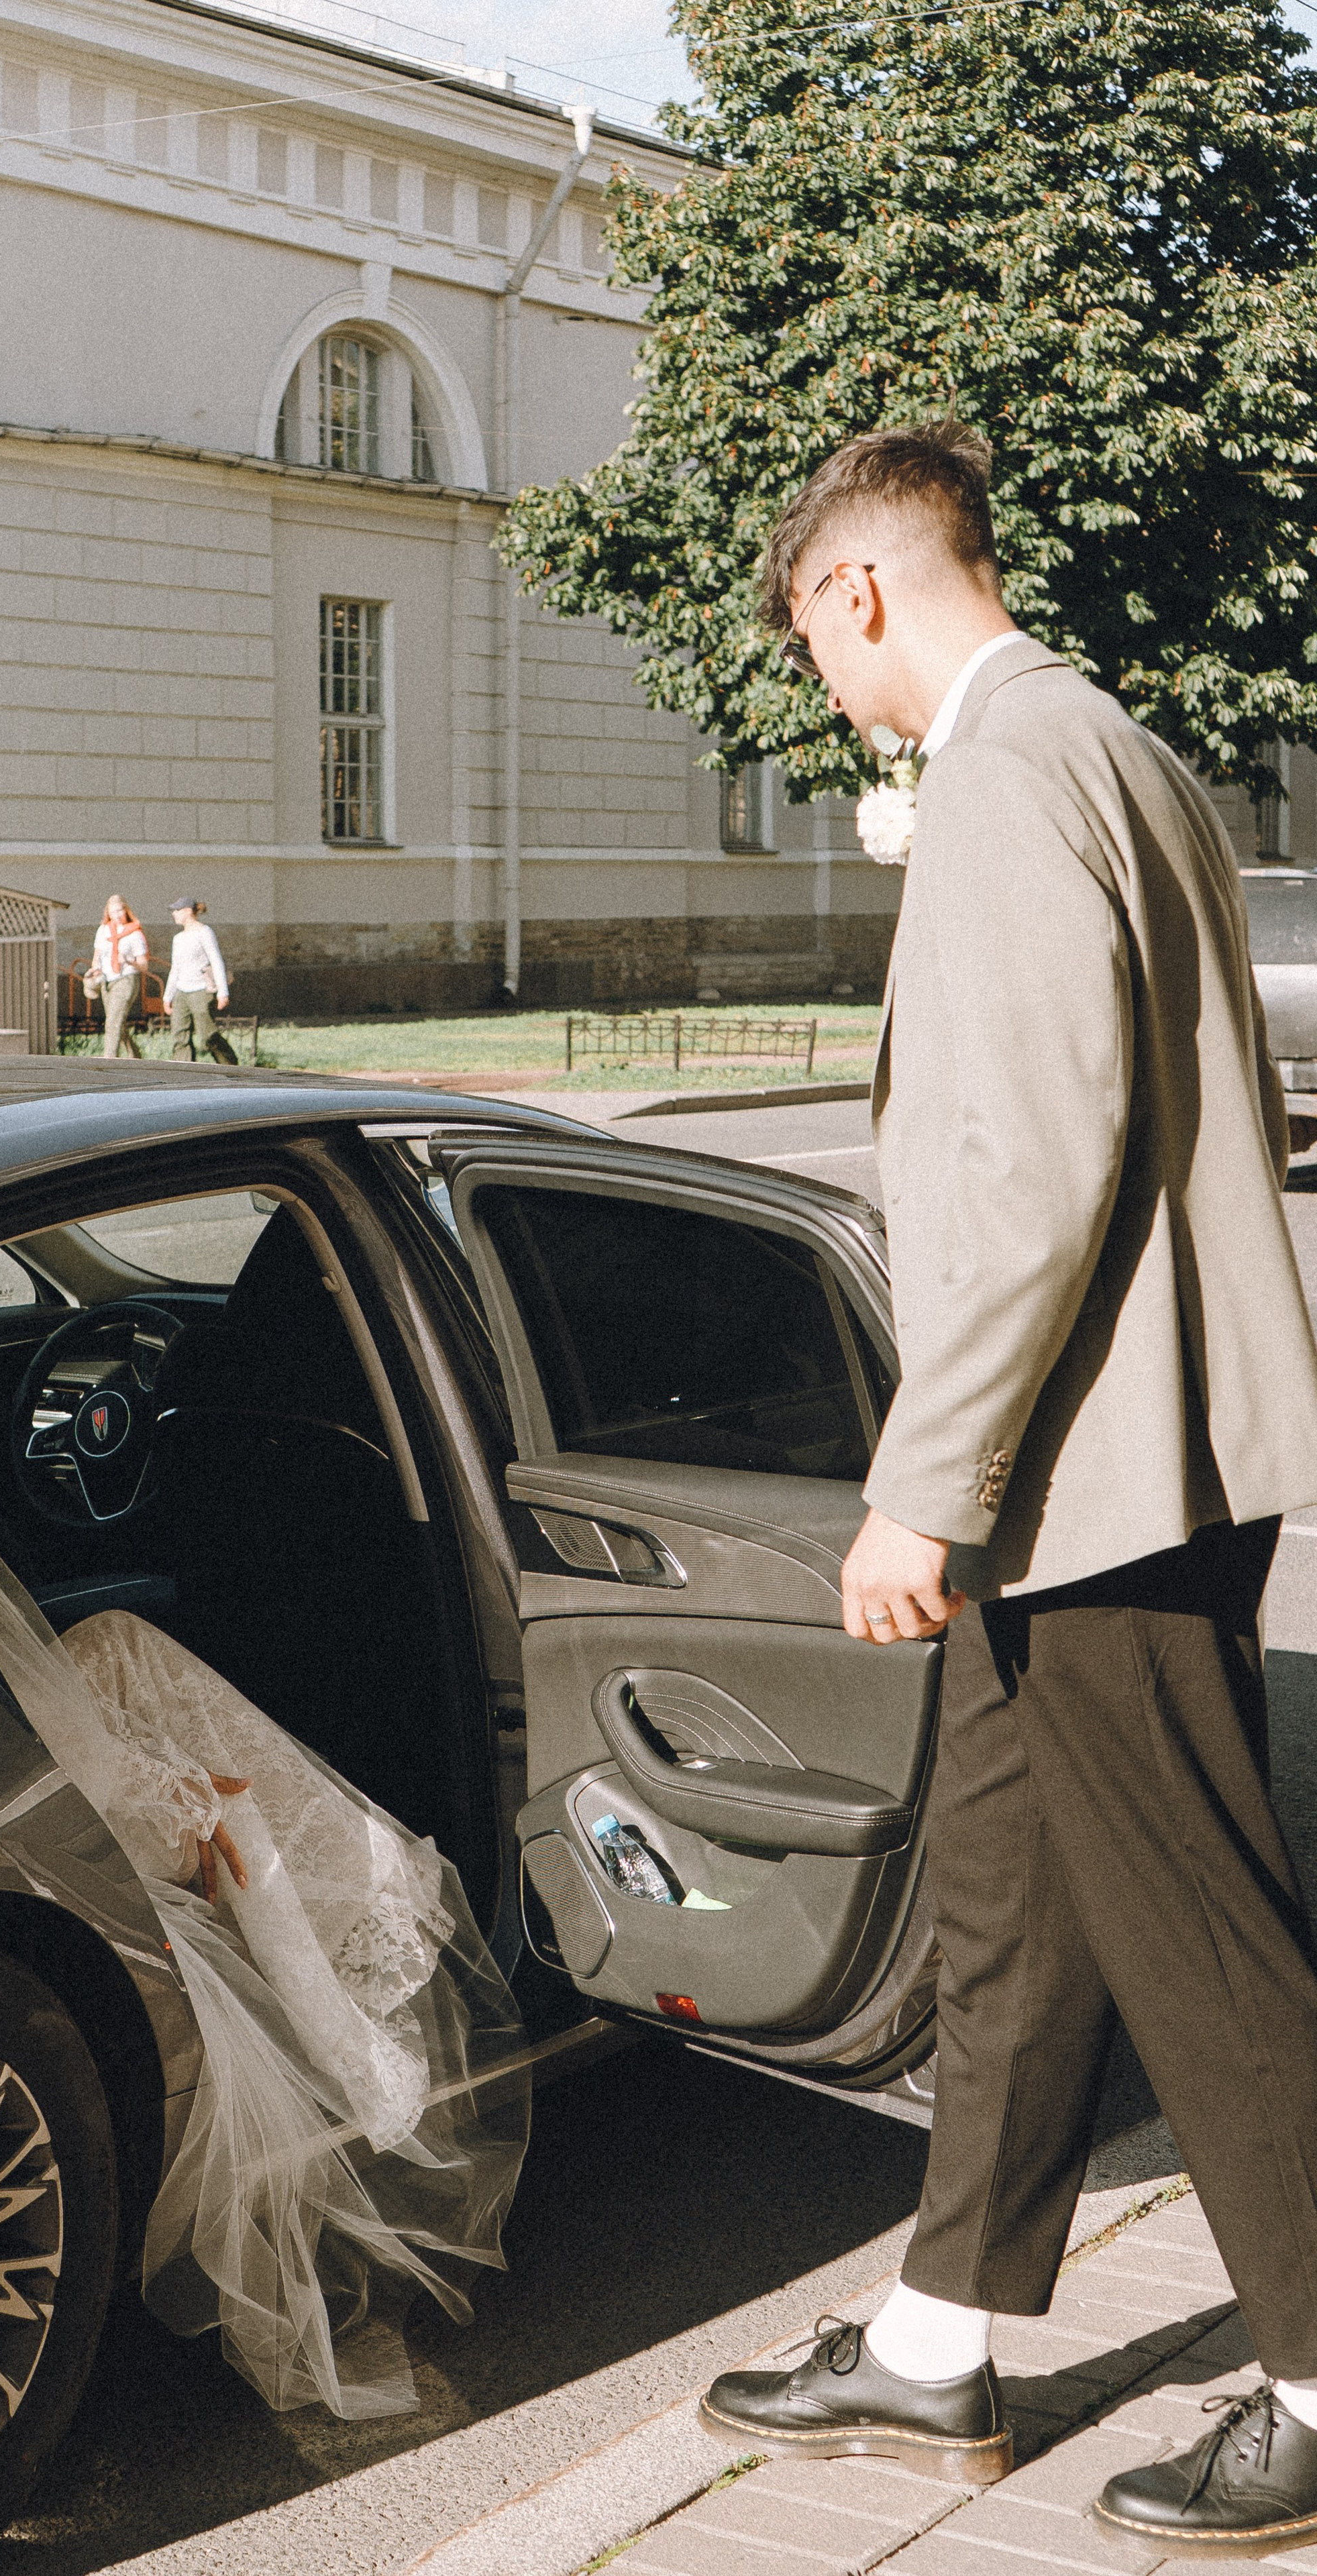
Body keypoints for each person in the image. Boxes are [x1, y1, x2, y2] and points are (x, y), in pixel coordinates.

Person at [698, 419, 1317, 2552]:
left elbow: (1025, 1168)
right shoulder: (1115, 747)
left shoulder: (999, 772)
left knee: (1198, 1930)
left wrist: (925, 1488)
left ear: (855, 591)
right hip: (1127, 1446)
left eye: (809, 636)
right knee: (1007, 1903)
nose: (822, 682)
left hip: (1092, 1473)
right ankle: (937, 2341)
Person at [0, 1290, 526, 2418]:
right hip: (47, 1808)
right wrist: (183, 1813)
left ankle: (344, 1885)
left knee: (116, 1646)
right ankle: (370, 1923)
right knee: (149, 1690)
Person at [164, 898, 232, 1062]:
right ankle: (184, 1072)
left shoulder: (204, 932)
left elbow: (216, 961)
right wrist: (168, 996)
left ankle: (230, 1066)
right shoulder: (178, 938)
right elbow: (176, 968)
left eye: (177, 910)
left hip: (201, 991)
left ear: (188, 911)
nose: (174, 914)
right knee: (179, 1036)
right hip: (181, 992)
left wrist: (223, 992)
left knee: (207, 1035)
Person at [89, 894, 149, 1059]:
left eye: (120, 911)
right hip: (107, 980)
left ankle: (109, 1060)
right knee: (117, 1023)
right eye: (113, 911)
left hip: (126, 979)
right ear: (108, 912)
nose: (117, 915)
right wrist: (95, 970)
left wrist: (129, 961)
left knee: (113, 1022)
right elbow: (97, 956)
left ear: (126, 911)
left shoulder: (134, 933)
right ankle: (135, 1058)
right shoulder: (103, 931)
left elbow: (144, 965)